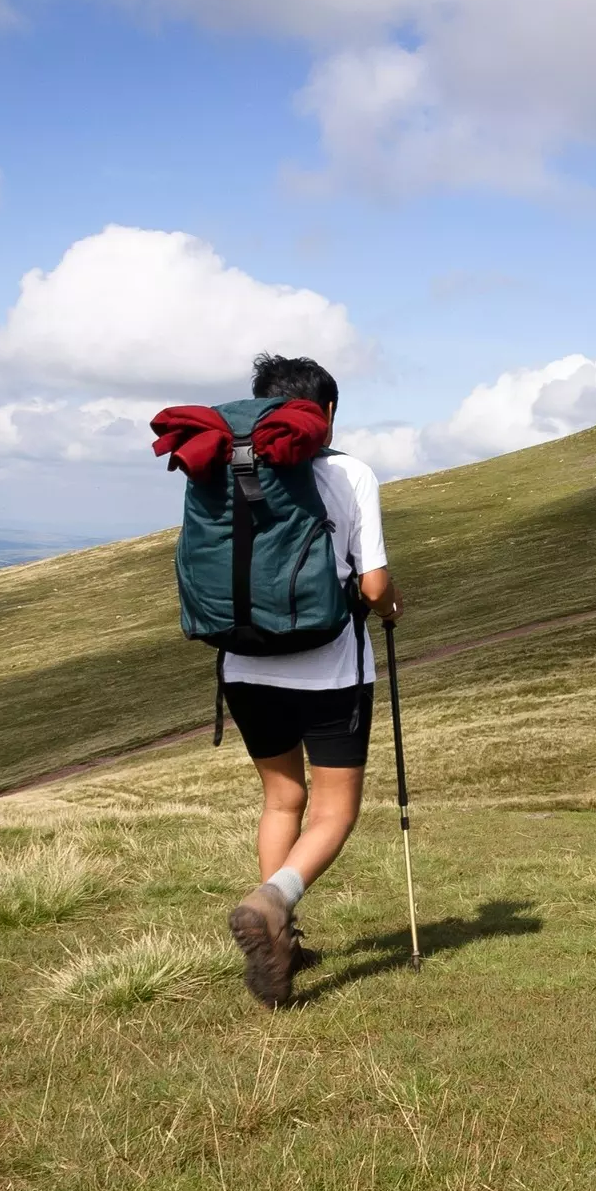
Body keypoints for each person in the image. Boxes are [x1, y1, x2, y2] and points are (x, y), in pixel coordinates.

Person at [224, 353, 402, 1008]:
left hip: (243, 666)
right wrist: (389, 606)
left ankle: (284, 940)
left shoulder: (227, 467)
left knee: (281, 801)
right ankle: (272, 905)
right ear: (324, 414)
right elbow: (375, 583)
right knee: (334, 811)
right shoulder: (349, 472)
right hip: (330, 671)